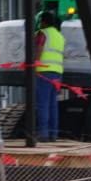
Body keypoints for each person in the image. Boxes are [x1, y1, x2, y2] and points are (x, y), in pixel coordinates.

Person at [34, 9, 65, 142]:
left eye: (40, 21)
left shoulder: (43, 33)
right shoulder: (59, 36)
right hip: (57, 73)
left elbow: (39, 49)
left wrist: (34, 66)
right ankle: (53, 134)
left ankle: (43, 134)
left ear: (44, 22)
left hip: (44, 72)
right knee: (53, 105)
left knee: (43, 104)